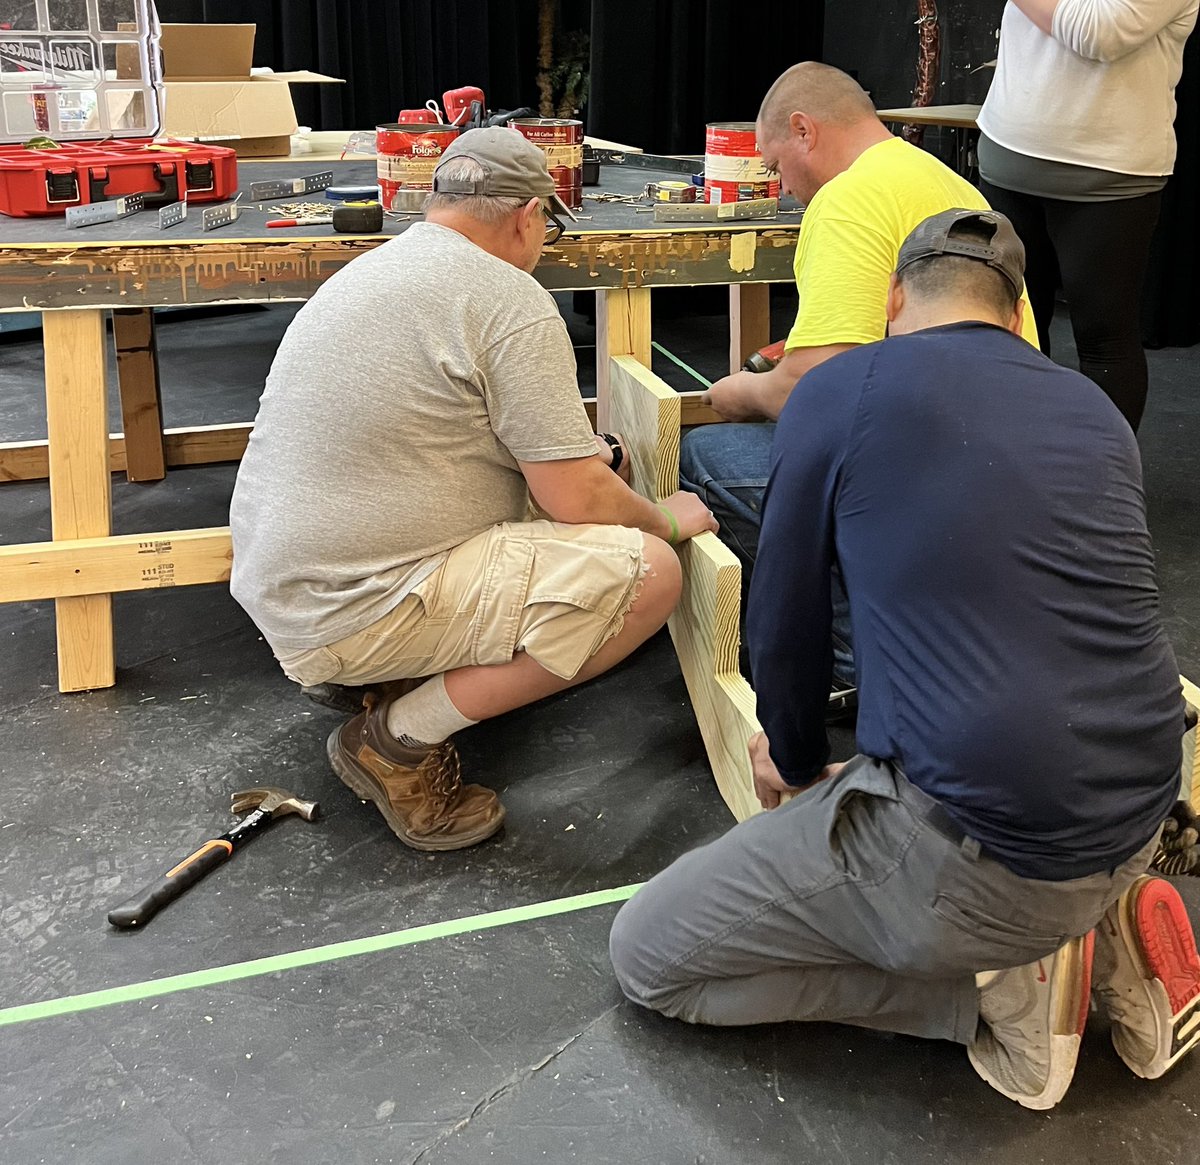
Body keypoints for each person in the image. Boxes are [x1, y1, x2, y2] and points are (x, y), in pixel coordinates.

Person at [609, 209, 1200, 1110]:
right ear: (1014, 317)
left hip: (986, 857)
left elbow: (783, 618)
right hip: (1141, 811)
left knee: (649, 956)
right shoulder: (1092, 407)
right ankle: (1087, 926)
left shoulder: (843, 390)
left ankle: (1001, 988)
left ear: (893, 298)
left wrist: (796, 758)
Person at [229, 127, 716, 852]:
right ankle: (394, 741)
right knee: (648, 572)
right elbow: (577, 498)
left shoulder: (373, 270)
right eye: (546, 226)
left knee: (583, 492)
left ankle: (391, 673)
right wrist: (665, 521)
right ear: (526, 216)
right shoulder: (507, 298)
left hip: (290, 588)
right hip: (355, 608)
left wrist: (592, 460)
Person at [679, 62, 1039, 693]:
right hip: (1004, 463)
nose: (782, 187)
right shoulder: (936, 178)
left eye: (774, 164)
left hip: (934, 473)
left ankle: (852, 652)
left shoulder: (846, 201)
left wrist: (739, 394)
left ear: (803, 131)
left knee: (706, 454)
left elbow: (813, 391)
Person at [978, 0, 1198, 432]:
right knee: (1008, 327)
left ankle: (1102, 486)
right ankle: (1012, 470)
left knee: (1104, 340)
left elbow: (1098, 33)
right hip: (1007, 160)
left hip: (1109, 178)